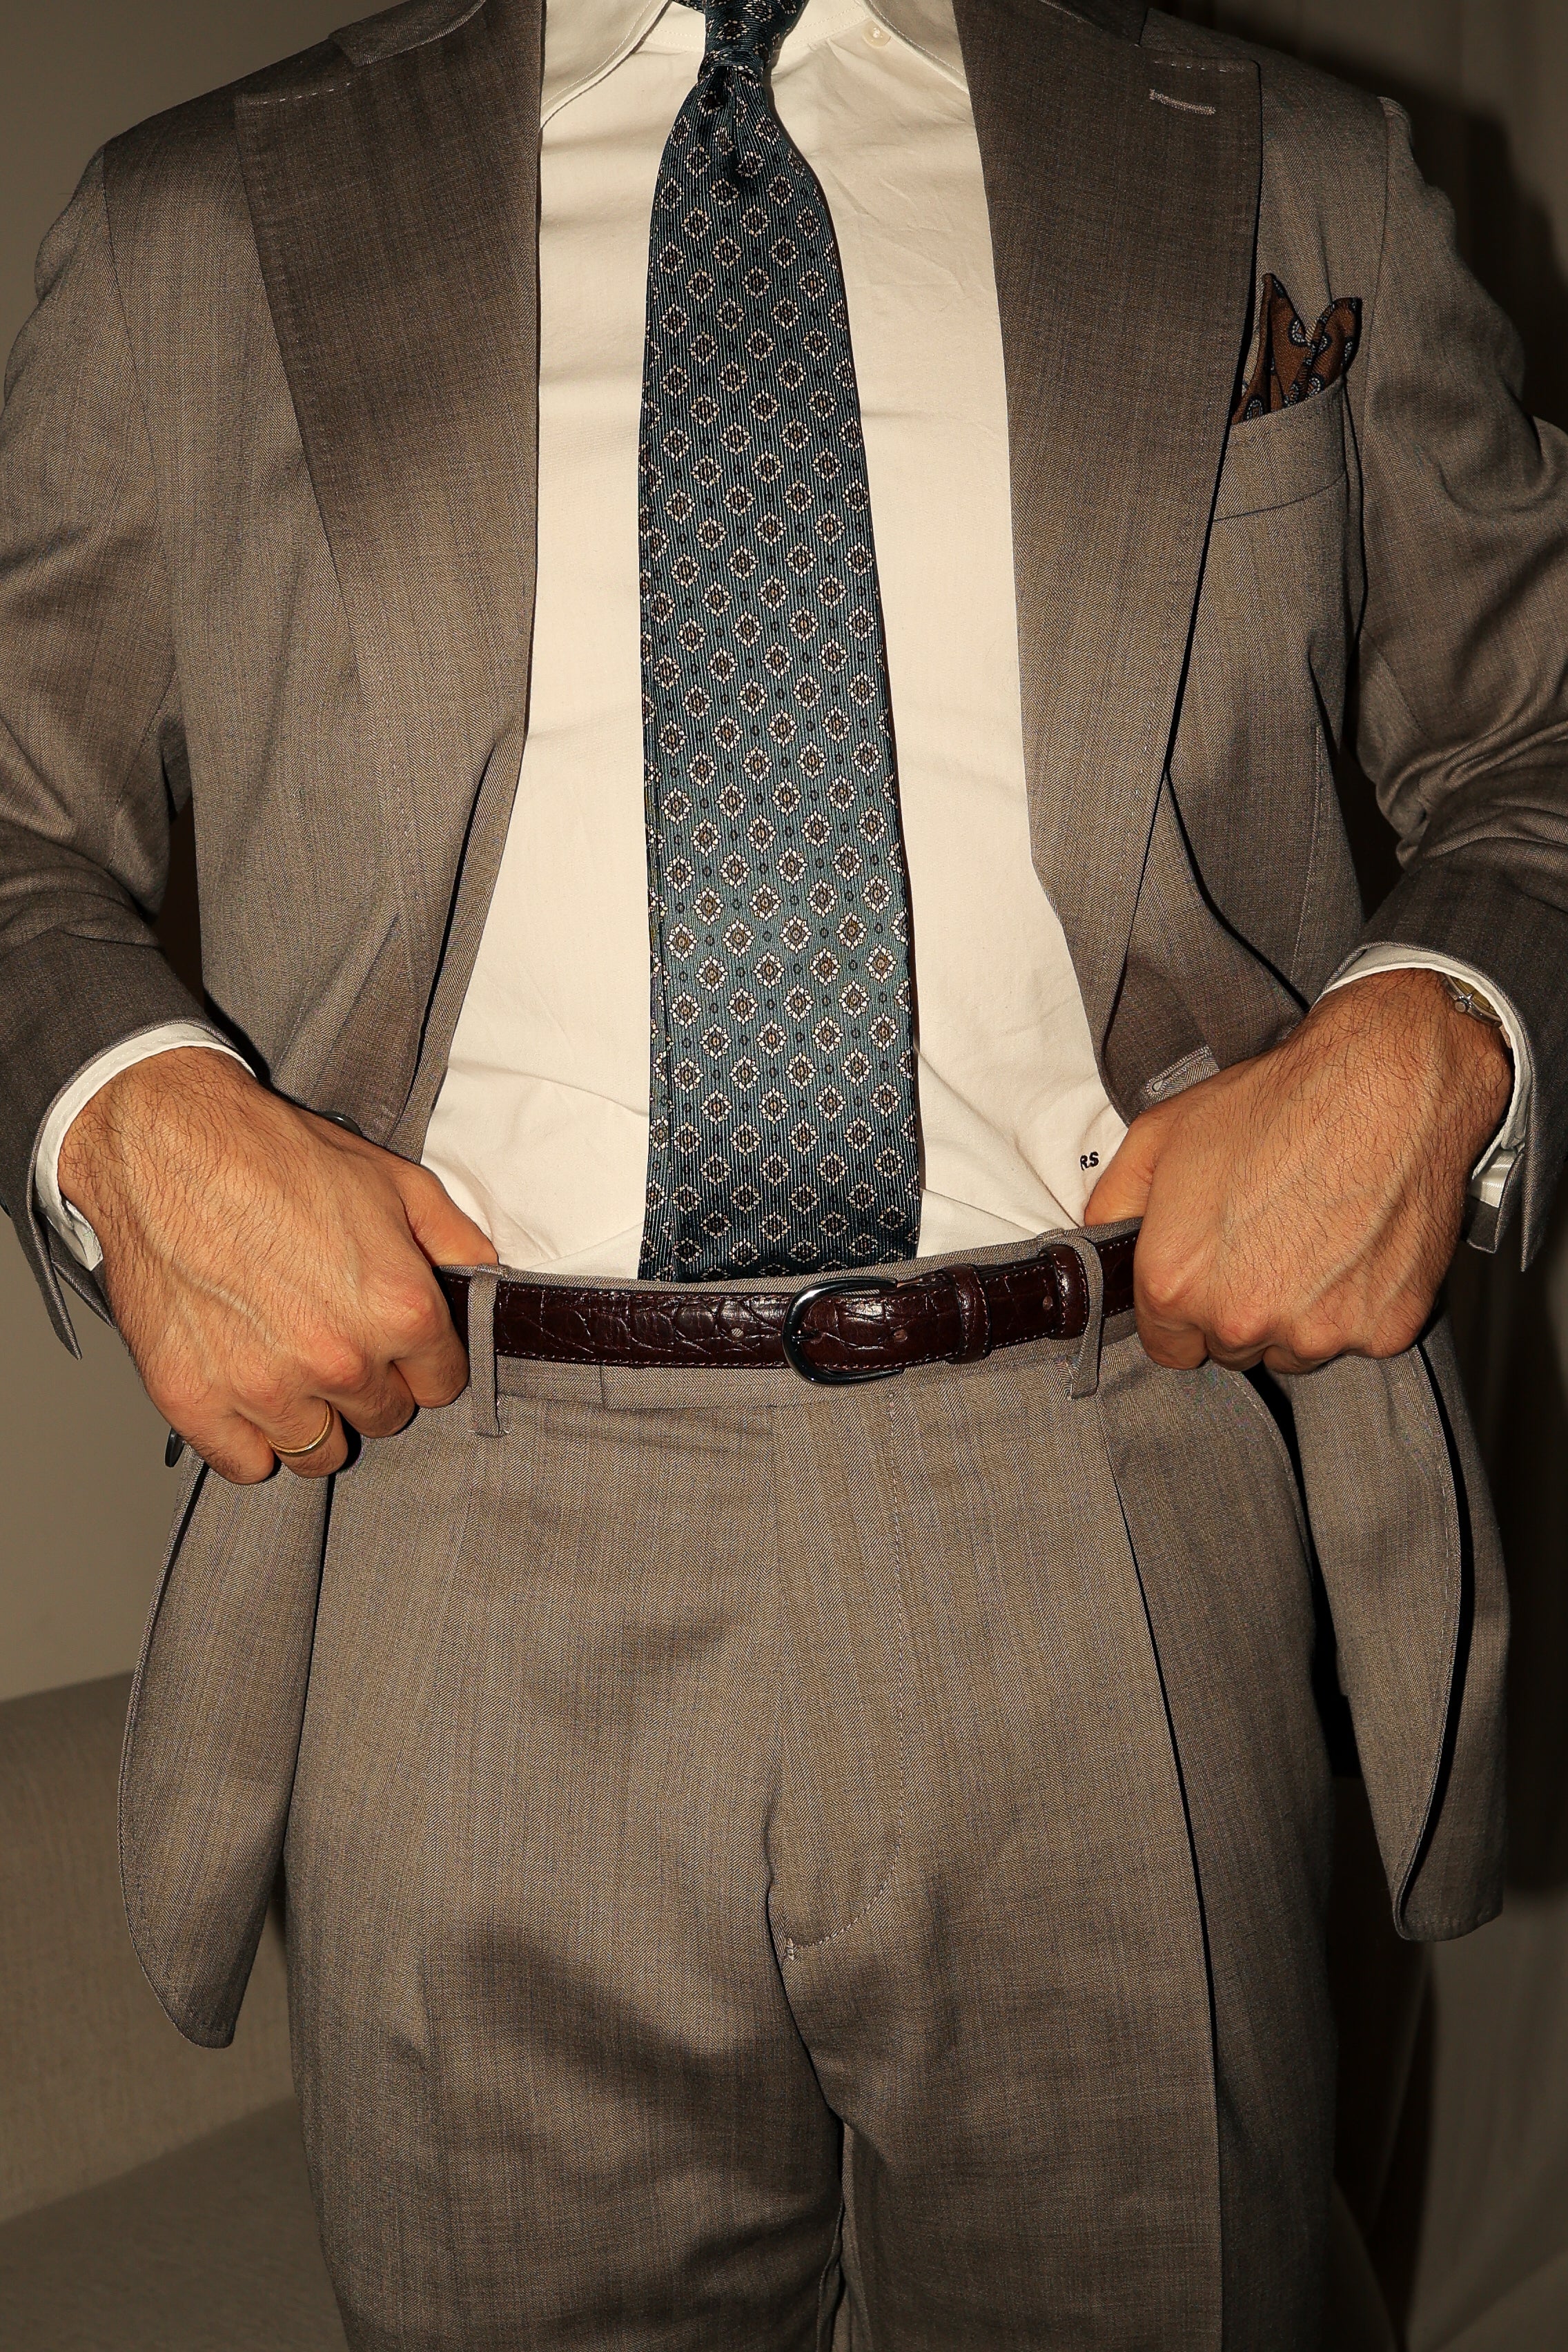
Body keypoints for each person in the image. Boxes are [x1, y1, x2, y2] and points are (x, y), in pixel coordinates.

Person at [1, 0, 1563, 2340]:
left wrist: (1439, 1033)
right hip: (457, 1522)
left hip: (1108, 1509)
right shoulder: (190, 224)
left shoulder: (1292, 165)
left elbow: (1536, 719)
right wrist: (123, 1113)